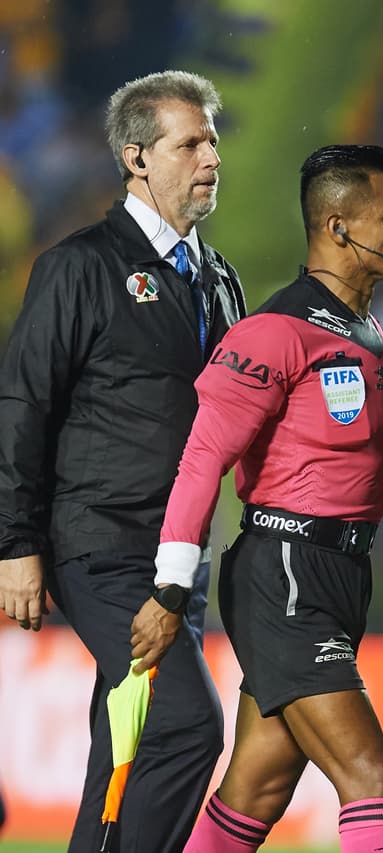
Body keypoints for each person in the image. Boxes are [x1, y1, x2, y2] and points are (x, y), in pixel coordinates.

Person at [127, 144, 383, 852]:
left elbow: (380, 443)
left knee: (256, 787)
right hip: (283, 573)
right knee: (372, 775)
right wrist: (169, 588)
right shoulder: (271, 333)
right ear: (339, 225)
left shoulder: (364, 331)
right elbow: (203, 460)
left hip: (339, 575)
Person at [0, 70, 242, 852]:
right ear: (137, 158)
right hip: (101, 544)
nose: (211, 156)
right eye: (191, 142)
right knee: (186, 727)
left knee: (126, 748)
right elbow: (21, 405)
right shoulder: (80, 267)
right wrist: (15, 543)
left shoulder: (221, 279)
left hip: (180, 556)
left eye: (213, 139)